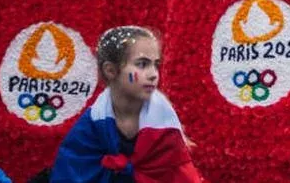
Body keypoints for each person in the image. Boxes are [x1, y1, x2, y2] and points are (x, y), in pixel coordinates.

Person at [50, 26, 202, 183]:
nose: (153, 74)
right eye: (142, 64)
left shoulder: (167, 129)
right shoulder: (88, 130)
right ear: (110, 70)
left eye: (156, 64)